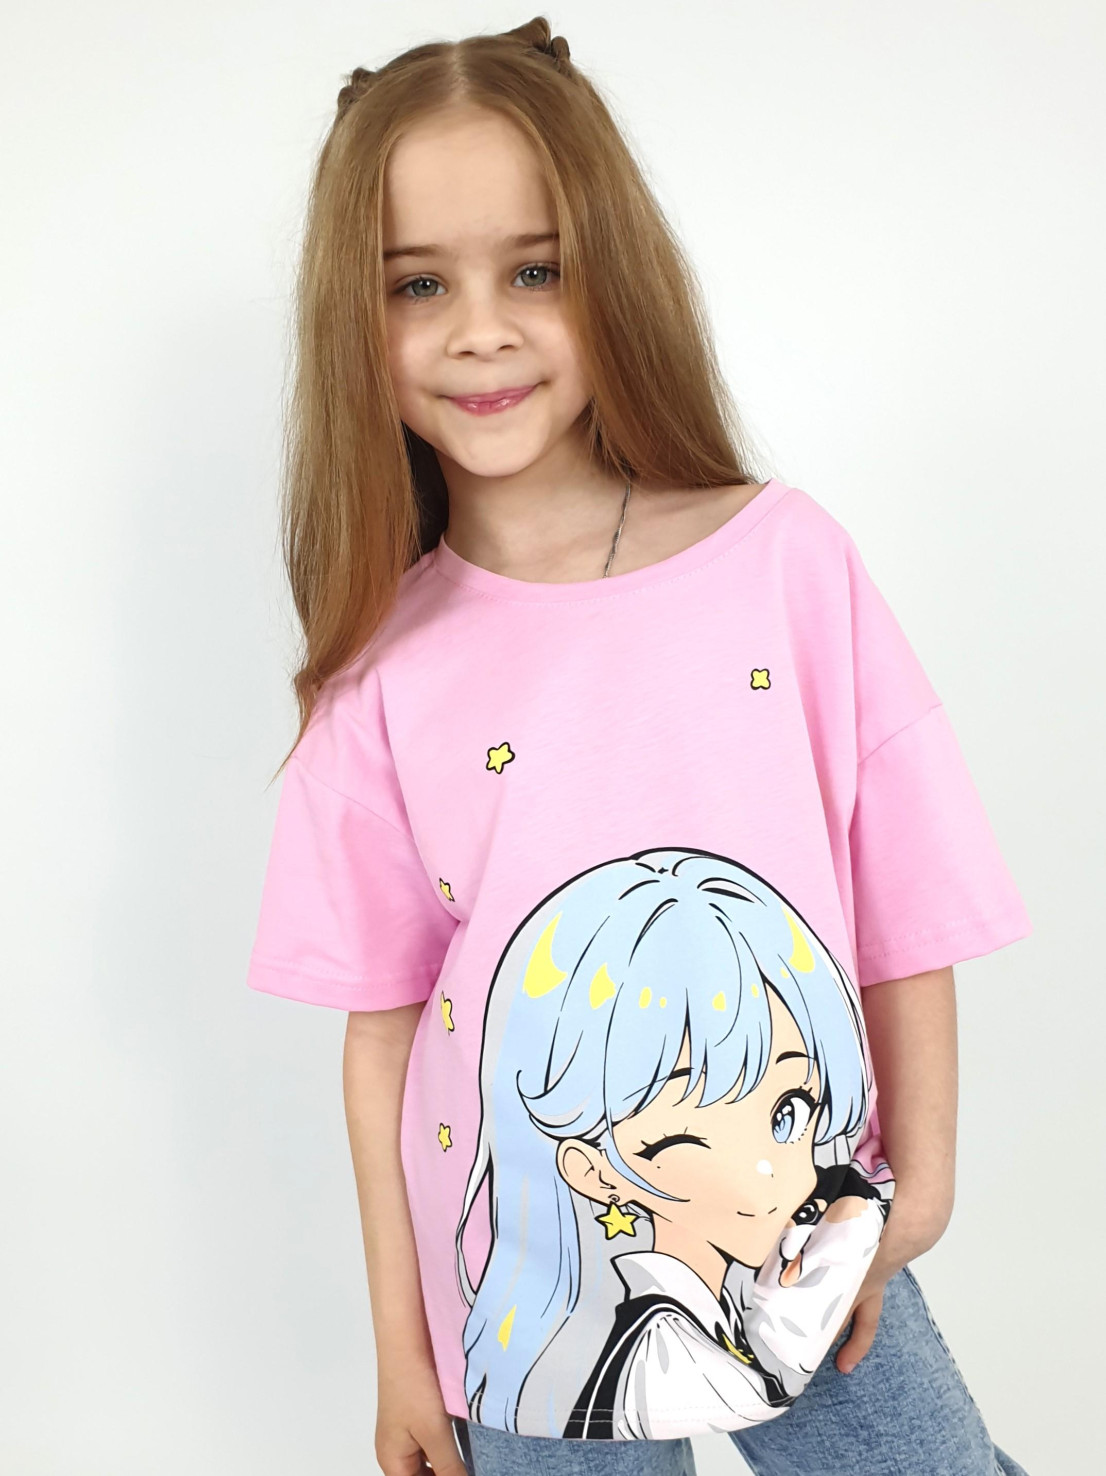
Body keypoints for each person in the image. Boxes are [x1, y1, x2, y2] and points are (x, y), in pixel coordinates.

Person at [245, 15, 1033, 1476]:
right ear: (355, 322)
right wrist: (403, 1353)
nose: (480, 329)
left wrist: (916, 1194)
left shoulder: (781, 561)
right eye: (418, 284)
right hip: (519, 1292)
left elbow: (904, 885)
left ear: (612, 270)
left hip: (809, 1234)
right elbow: (383, 1034)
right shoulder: (380, 664)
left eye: (533, 271)